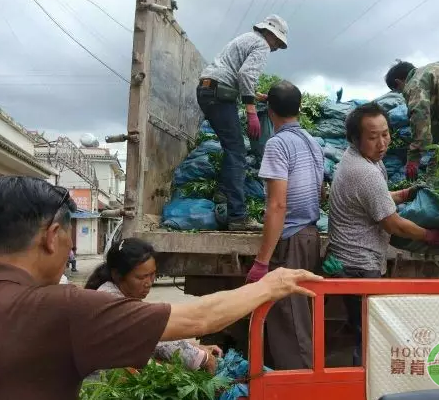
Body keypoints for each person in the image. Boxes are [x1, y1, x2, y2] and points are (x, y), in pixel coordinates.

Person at [0, 176, 322, 400]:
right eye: (70, 238)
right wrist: (271, 283)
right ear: (52, 236)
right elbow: (200, 318)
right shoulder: (62, 307)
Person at [325, 102, 439, 366]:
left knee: (363, 329)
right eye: (372, 137)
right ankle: (363, 384)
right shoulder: (364, 171)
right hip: (359, 266)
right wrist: (429, 236)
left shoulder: (362, 160)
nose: (382, 143)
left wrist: (402, 194)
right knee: (368, 336)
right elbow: (393, 224)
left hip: (354, 262)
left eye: (385, 134)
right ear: (356, 139)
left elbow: (373, 199)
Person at [244, 81, 324, 370]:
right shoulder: (312, 142)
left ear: (269, 110)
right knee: (300, 319)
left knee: (290, 323)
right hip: (310, 235)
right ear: (299, 108)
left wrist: (262, 261)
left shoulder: (277, 144)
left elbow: (277, 204)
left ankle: (302, 388)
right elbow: (321, 192)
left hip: (291, 238)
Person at [196, 15, 289, 231]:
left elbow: (235, 75)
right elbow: (246, 74)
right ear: (270, 34)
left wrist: (254, 95)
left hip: (208, 91)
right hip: (218, 94)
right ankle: (238, 216)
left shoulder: (247, 38)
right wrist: (251, 111)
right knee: (237, 151)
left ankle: (223, 193)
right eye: (277, 42)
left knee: (232, 148)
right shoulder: (262, 44)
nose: (275, 48)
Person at [85, 238, 223, 373]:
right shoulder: (111, 300)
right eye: (141, 277)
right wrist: (203, 358)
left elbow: (151, 338)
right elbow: (151, 332)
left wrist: (197, 348)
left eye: (152, 275)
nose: (149, 282)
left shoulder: (115, 293)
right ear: (117, 275)